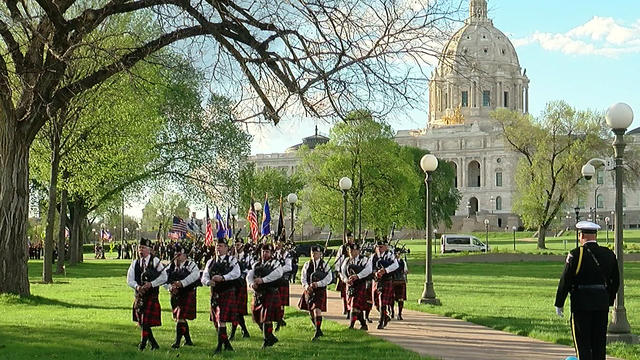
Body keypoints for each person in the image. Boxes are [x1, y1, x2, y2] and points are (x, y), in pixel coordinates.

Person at [555, 221, 620, 360]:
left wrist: (559, 303)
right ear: (595, 236)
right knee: (599, 345)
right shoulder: (608, 254)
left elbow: (565, 280)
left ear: (581, 235)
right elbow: (616, 281)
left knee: (583, 345)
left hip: (581, 305)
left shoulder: (576, 254)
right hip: (601, 305)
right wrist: (608, 300)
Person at [126, 238, 167, 351]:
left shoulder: (155, 262)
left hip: (151, 295)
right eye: (140, 248)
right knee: (142, 322)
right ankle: (153, 344)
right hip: (140, 296)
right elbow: (129, 280)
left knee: (145, 321)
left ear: (149, 250)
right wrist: (137, 287)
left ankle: (143, 344)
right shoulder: (135, 263)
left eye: (143, 248)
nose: (141, 250)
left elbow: (164, 277)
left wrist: (152, 284)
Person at [201, 238, 240, 354]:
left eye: (221, 246)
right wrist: (208, 282)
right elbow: (204, 276)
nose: (218, 248)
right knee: (216, 320)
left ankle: (219, 347)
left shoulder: (232, 260)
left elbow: (236, 273)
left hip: (227, 292)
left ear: (227, 248)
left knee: (221, 320)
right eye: (217, 246)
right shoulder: (210, 262)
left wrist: (223, 278)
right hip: (215, 293)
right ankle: (227, 344)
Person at [247, 244, 284, 348]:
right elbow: (249, 275)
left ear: (271, 253)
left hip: (270, 292)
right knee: (257, 316)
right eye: (263, 251)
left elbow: (278, 273)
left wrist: (263, 280)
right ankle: (270, 337)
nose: (264, 254)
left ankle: (266, 340)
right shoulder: (257, 264)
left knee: (266, 317)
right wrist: (251, 284)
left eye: (267, 252)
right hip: (258, 293)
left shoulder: (275, 263)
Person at [164, 244, 200, 349]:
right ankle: (188, 341)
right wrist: (170, 288)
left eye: (179, 254)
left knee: (180, 317)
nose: (177, 257)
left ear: (185, 256)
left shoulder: (191, 265)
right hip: (175, 295)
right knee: (180, 318)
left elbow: (195, 275)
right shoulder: (171, 266)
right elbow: (164, 279)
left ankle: (177, 342)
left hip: (187, 293)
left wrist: (182, 283)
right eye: (176, 254)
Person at [299, 245, 333, 341]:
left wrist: (318, 284)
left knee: (317, 309)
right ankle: (318, 329)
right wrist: (307, 286)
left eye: (316, 253)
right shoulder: (307, 264)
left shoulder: (325, 264)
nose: (314, 255)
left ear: (320, 254)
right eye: (312, 253)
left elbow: (329, 278)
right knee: (311, 311)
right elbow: (303, 278)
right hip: (309, 290)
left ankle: (317, 331)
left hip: (320, 290)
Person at [341, 243, 372, 330]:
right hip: (350, 285)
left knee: (354, 305)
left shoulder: (364, 260)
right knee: (356, 307)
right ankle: (363, 324)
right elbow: (342, 273)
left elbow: (369, 270)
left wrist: (357, 276)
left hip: (360, 284)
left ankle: (351, 326)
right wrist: (346, 280)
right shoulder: (346, 261)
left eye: (354, 251)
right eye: (350, 251)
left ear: (358, 251)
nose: (352, 252)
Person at [370, 240, 398, 329]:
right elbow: (369, 267)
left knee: (383, 302)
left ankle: (381, 321)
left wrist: (385, 270)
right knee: (376, 302)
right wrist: (375, 273)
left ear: (386, 247)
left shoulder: (390, 255)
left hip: (386, 280)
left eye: (381, 247)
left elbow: (396, 265)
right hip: (377, 281)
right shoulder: (373, 257)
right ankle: (385, 316)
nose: (379, 249)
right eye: (378, 247)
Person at [230, 238, 251, 340]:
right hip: (232, 284)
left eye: (238, 245)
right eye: (235, 245)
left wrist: (242, 274)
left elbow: (251, 269)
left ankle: (233, 333)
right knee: (235, 310)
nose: (236, 247)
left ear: (242, 245)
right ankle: (244, 331)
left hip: (241, 284)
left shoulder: (248, 257)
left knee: (238, 310)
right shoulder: (231, 257)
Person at [335, 230, 355, 318]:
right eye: (348, 238)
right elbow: (338, 260)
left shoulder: (355, 247)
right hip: (344, 273)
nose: (349, 239)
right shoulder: (342, 248)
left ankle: (352, 308)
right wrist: (339, 271)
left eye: (351, 237)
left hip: (353, 272)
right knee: (344, 293)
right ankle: (346, 308)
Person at [391, 249, 409, 320]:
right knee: (392, 298)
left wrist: (405, 272)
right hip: (395, 281)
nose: (397, 255)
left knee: (400, 299)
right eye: (396, 253)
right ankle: (392, 312)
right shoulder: (392, 261)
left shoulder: (402, 262)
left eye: (398, 254)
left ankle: (399, 314)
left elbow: (406, 271)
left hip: (400, 281)